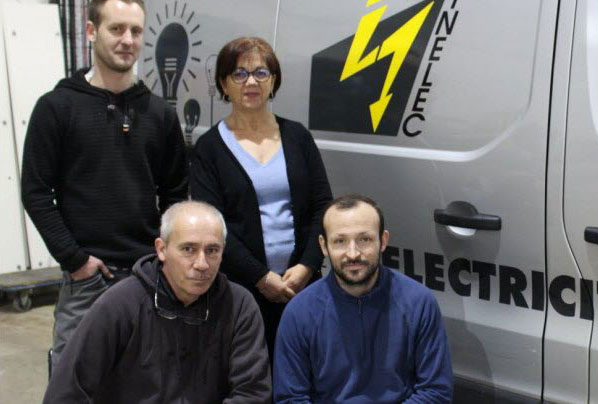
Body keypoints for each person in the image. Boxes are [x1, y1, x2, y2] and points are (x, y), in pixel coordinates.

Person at [20, 0, 188, 370]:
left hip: (148, 274)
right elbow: (36, 192)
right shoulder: (57, 107)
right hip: (87, 279)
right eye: (117, 29)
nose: (128, 40)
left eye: (136, 31)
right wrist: (75, 259)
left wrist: (165, 257)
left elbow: (176, 194)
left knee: (148, 380)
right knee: (74, 383)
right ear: (91, 31)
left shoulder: (159, 114)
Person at [42, 201, 271, 403]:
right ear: (161, 249)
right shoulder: (119, 304)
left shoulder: (239, 305)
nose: (202, 264)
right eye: (188, 249)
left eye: (212, 250)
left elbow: (252, 393)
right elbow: (66, 392)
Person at [190, 36, 332, 355]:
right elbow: (213, 226)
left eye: (260, 72)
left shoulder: (297, 136)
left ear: (273, 81)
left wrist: (308, 266)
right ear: (224, 84)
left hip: (302, 287)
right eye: (239, 73)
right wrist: (261, 277)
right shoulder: (209, 148)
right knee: (251, 371)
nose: (251, 81)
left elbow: (323, 206)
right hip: (241, 290)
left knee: (306, 367)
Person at [273, 194, 453, 403]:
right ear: (323, 246)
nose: (353, 253)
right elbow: (290, 399)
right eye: (340, 241)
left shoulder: (419, 302)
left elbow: (435, 392)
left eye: (364, 239)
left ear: (383, 241)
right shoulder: (299, 312)